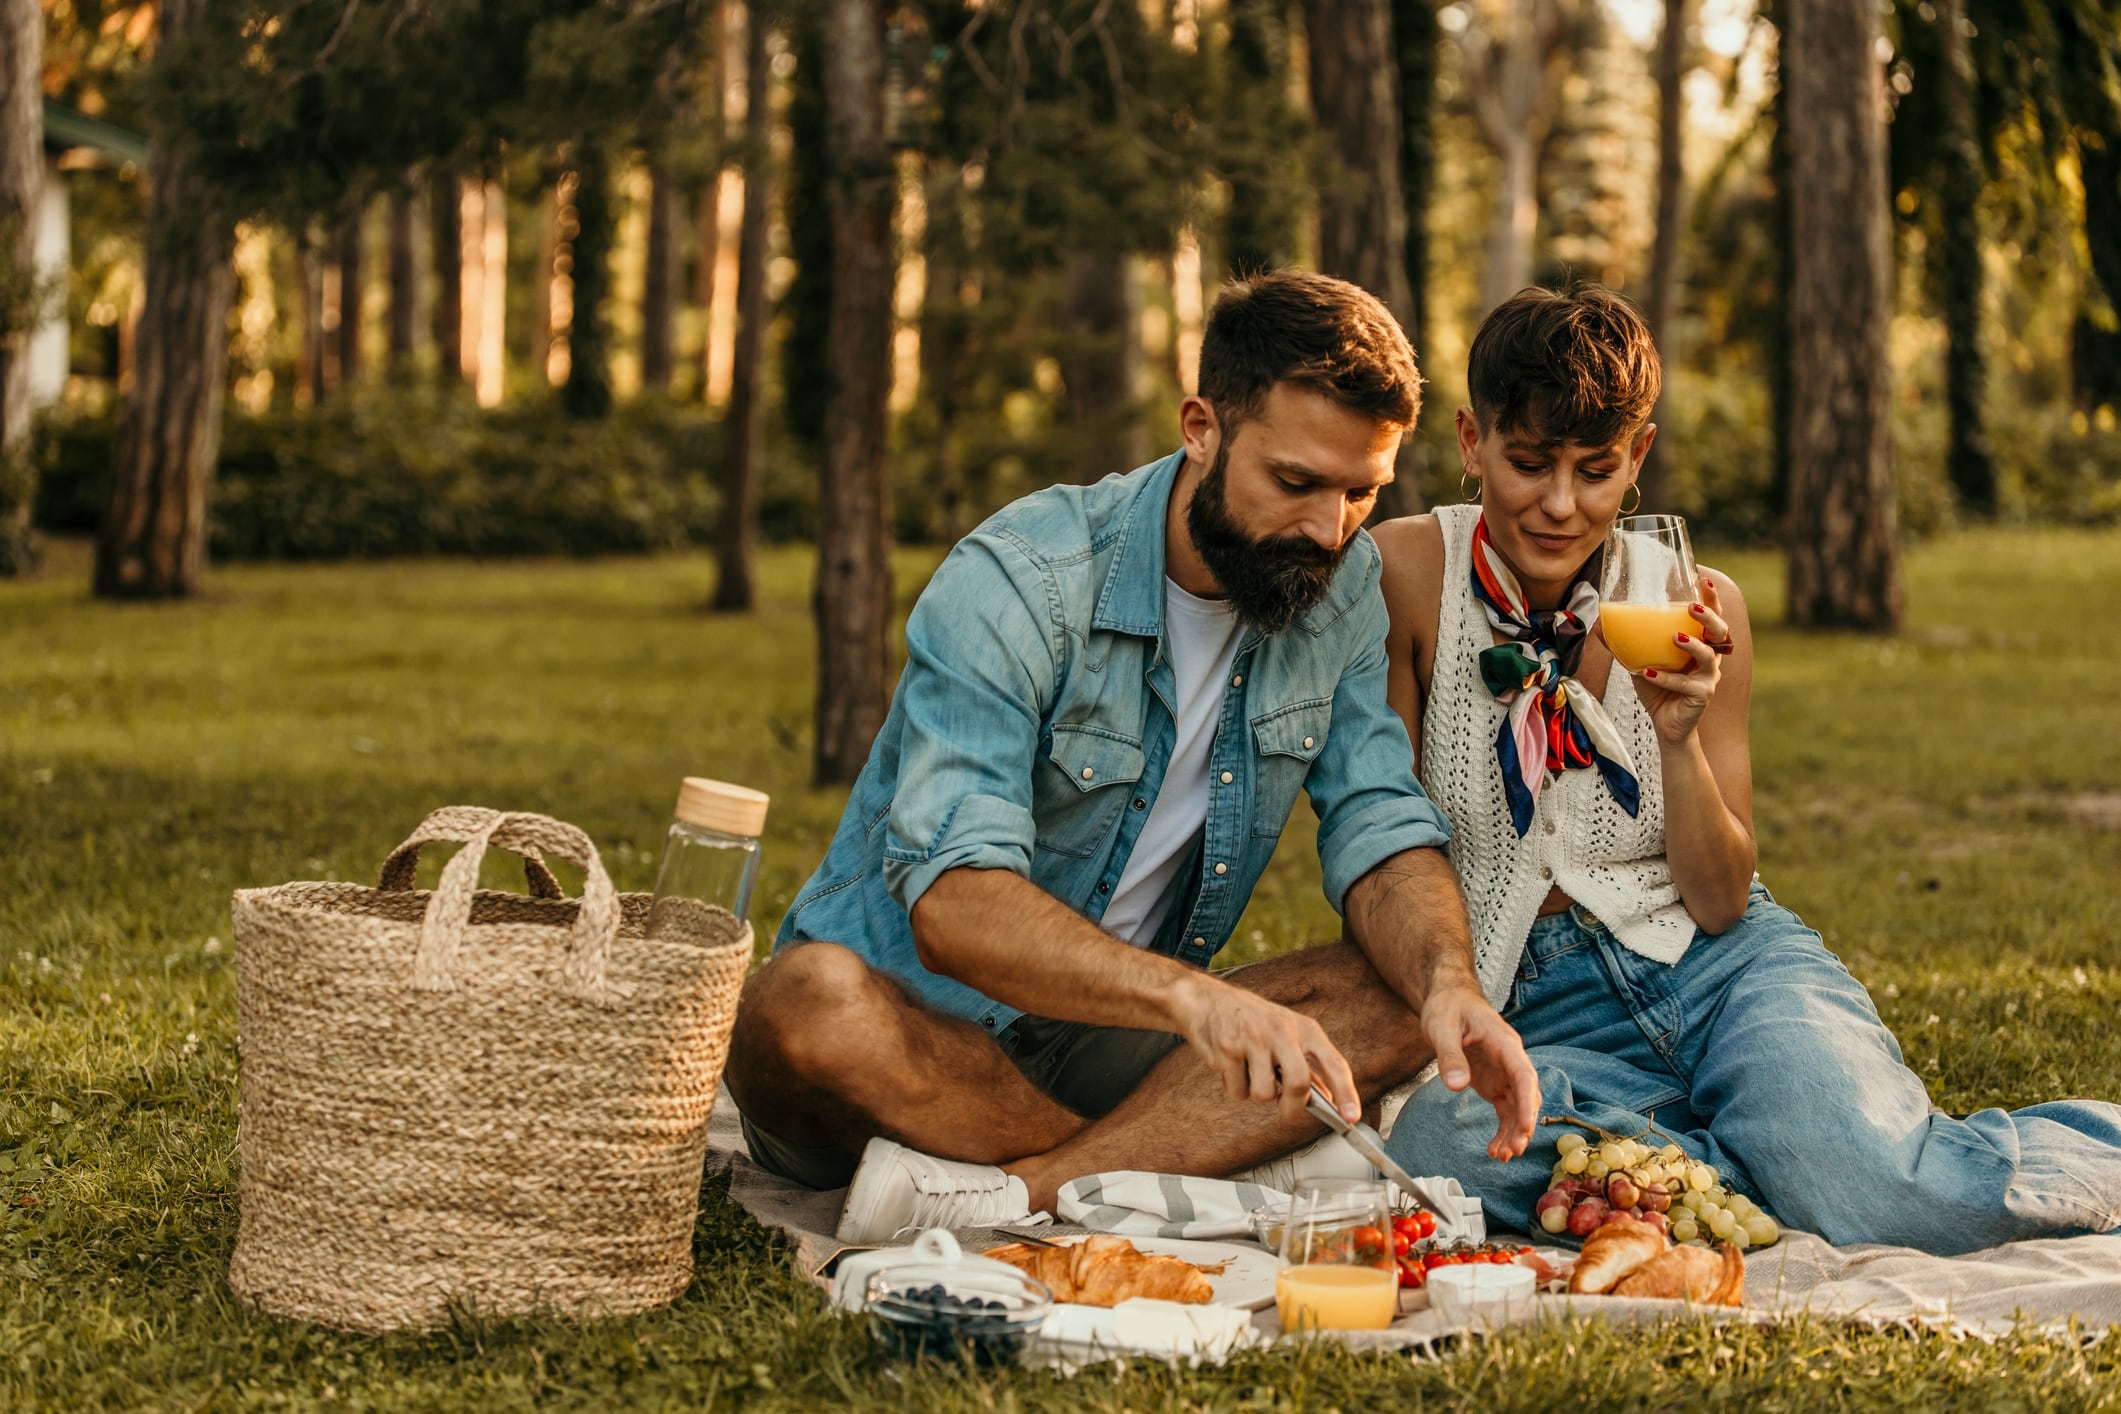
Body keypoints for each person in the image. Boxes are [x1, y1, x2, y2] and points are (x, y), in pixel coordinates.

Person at [723, 270, 1540, 1245]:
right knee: (805, 1001)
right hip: (901, 1032)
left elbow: (1380, 824)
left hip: (1103, 1045)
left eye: (1360, 491)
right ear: (1202, 427)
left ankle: (1031, 1189)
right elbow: (956, 899)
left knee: (1404, 994)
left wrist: (1450, 982)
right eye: (1294, 483)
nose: (1329, 530)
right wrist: (1190, 1001)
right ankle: (1138, 1170)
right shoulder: (1020, 580)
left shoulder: (1341, 588)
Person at [1373, 284, 2121, 1255]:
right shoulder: (1407, 576)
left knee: (1906, 1205)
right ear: (1473, 442)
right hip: (1533, 1005)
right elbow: (1383, 835)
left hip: (1720, 967)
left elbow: (1723, 900)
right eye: (1527, 464)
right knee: (1445, 1140)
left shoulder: (1696, 601)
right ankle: (1791, 1156)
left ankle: (1919, 1155)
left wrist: (1678, 738)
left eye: (1596, 470)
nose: (1561, 504)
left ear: (1637, 456)